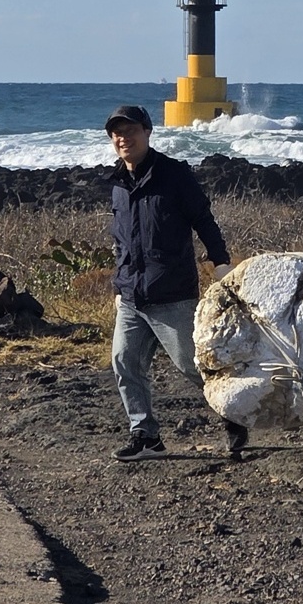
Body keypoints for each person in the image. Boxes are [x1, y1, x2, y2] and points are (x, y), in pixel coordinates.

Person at [104, 104, 247, 461]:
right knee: (125, 362)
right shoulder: (118, 183)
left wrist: (220, 263)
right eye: (117, 133)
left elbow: (203, 220)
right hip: (133, 297)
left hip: (173, 296)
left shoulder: (174, 175)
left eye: (131, 130)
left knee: (194, 366)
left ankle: (235, 416)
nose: (124, 138)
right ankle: (146, 436)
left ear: (148, 132)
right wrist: (120, 289)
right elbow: (123, 241)